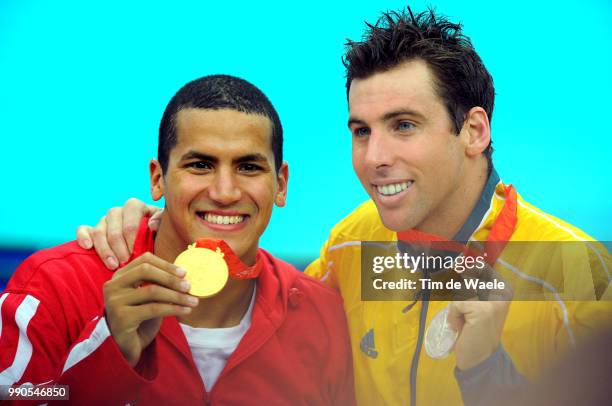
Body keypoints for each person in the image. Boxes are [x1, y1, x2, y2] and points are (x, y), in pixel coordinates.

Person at [73, 6, 611, 406]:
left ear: (472, 130)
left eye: (404, 125)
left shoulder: (578, 275)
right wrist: (158, 227)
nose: (374, 158)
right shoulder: (354, 246)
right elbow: (270, 319)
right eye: (361, 130)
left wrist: (488, 372)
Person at [0, 75, 355, 405]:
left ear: (280, 185)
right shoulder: (56, 287)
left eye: (248, 167)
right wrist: (106, 354)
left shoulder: (322, 316)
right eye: (200, 165)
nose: (224, 192)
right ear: (158, 179)